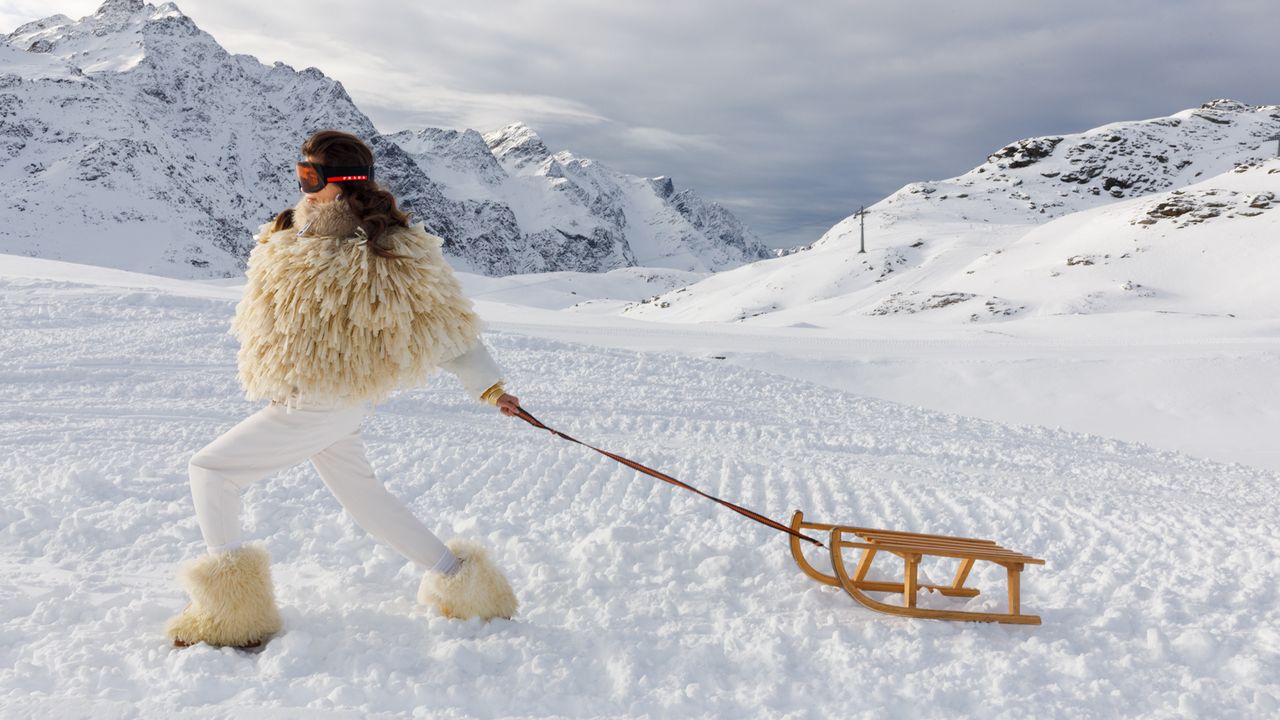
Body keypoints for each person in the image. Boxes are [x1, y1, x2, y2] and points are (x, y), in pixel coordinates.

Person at [165, 129, 520, 650]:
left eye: (312, 175)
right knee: (364, 498)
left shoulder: (387, 247)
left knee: (211, 471)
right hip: (312, 398)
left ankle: (232, 612)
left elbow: (446, 324)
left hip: (324, 400)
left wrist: (490, 388)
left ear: (343, 182)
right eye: (300, 172)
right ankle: (468, 589)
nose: (302, 184)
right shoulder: (290, 230)